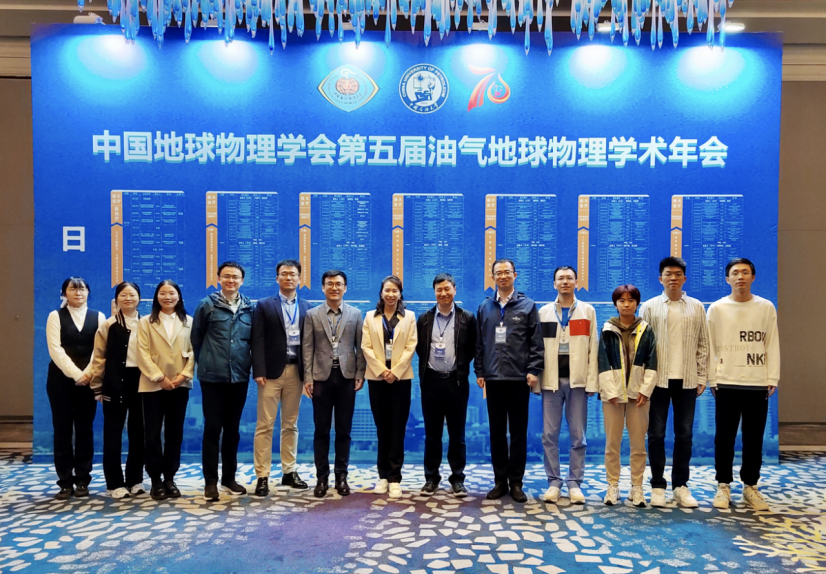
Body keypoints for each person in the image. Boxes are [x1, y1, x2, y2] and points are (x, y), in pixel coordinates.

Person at [707, 258, 780, 512]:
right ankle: (723, 484)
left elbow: (771, 342)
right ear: (727, 278)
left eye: (745, 272)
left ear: (753, 277)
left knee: (754, 438)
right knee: (724, 438)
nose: (740, 277)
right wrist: (712, 378)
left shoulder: (765, 307)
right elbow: (710, 346)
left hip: (757, 382)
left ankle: (751, 486)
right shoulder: (717, 308)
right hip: (726, 382)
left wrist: (772, 377)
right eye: (735, 273)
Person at [639, 256, 710, 508]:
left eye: (678, 274)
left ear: (684, 278)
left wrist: (702, 376)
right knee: (656, 434)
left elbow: (703, 344)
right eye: (668, 274)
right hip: (657, 380)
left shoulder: (697, 307)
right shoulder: (649, 307)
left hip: (687, 380)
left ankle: (680, 485)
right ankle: (657, 485)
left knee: (685, 434)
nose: (673, 278)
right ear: (660, 278)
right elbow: (642, 346)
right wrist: (643, 381)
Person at [475, 259, 544, 503]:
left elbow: (536, 342)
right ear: (492, 277)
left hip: (519, 378)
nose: (503, 276)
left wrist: (533, 369)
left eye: (507, 272)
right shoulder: (485, 307)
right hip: (493, 378)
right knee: (496, 433)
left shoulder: (528, 305)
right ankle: (499, 482)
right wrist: (479, 371)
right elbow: (479, 343)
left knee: (517, 433)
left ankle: (516, 483)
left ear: (515, 275)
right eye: (498, 273)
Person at [191, 261, 255, 502]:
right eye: (226, 276)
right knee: (212, 429)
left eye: (235, 277)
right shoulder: (207, 305)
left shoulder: (249, 307)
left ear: (242, 280)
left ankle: (229, 478)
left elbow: (253, 342)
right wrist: (207, 363)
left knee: (232, 430)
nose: (231, 280)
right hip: (213, 378)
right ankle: (210, 482)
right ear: (218, 278)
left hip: (239, 377)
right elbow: (196, 339)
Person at [537, 266, 598, 505]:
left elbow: (593, 349)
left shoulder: (587, 311)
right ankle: (554, 482)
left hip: (577, 382)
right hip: (551, 382)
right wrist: (537, 380)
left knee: (578, 435)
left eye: (569, 278)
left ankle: (574, 483)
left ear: (576, 282)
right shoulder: (543, 312)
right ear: (554, 283)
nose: (565, 282)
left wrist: (592, 381)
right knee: (549, 434)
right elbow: (537, 349)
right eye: (560, 278)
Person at [302, 270, 366, 498]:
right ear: (323, 287)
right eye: (330, 284)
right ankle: (322, 478)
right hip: (321, 377)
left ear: (345, 288)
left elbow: (360, 346)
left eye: (338, 284)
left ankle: (341, 476)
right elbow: (307, 347)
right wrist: (307, 377)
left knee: (343, 430)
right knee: (321, 430)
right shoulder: (312, 314)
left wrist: (360, 373)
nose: (334, 288)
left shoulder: (355, 314)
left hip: (346, 377)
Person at [251, 259, 312, 496]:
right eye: (284, 274)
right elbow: (257, 339)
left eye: (293, 274)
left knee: (290, 425)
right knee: (265, 425)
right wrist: (259, 370)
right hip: (270, 374)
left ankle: (289, 471)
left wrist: (308, 375)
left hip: (296, 372)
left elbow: (309, 344)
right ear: (277, 278)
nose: (288, 277)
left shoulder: (307, 307)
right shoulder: (264, 305)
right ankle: (262, 476)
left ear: (299, 279)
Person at [415, 273, 478, 499]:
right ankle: (431, 478)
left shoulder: (467, 318)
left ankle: (457, 479)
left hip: (456, 381)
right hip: (431, 382)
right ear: (434, 292)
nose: (443, 293)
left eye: (447, 289)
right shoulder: (424, 318)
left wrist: (459, 367)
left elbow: (473, 348)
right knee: (432, 434)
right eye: (439, 289)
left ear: (454, 290)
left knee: (457, 435)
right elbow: (420, 348)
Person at [46, 276, 106, 500]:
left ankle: (82, 479)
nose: (78, 293)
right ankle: (64, 482)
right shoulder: (55, 316)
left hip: (89, 380)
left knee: (84, 430)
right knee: (62, 430)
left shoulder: (98, 317)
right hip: (60, 381)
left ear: (88, 292)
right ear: (65, 293)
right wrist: (76, 374)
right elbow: (55, 349)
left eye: (82, 289)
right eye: (73, 289)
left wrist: (87, 374)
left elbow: (100, 349)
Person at [598, 284, 657, 507]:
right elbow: (601, 362)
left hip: (638, 396)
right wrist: (610, 391)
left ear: (637, 304)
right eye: (621, 300)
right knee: (612, 444)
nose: (626, 304)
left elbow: (652, 362)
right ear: (615, 304)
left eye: (631, 300)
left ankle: (637, 487)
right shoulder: (606, 330)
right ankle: (612, 485)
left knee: (638, 445)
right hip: (612, 396)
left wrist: (645, 390)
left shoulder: (646, 329)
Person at [137, 280, 195, 501]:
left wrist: (182, 376)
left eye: (172, 293)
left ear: (179, 296)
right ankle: (155, 480)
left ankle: (170, 478)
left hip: (180, 384)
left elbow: (194, 352)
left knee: (174, 433)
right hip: (152, 385)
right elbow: (142, 353)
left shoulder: (189, 321)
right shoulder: (145, 322)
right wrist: (159, 378)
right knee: (152, 434)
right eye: (163, 293)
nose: (167, 297)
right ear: (156, 297)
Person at [362, 275, 417, 499]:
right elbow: (366, 347)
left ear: (400, 294)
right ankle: (383, 476)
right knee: (382, 428)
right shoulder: (370, 317)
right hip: (377, 379)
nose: (391, 294)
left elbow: (411, 346)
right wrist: (382, 371)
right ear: (381, 293)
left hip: (401, 379)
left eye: (395, 291)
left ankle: (395, 478)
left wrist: (395, 371)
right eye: (387, 290)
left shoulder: (409, 317)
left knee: (397, 428)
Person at [89, 281, 145, 499]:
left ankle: (135, 480)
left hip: (142, 383)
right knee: (112, 435)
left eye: (132, 295)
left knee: (138, 434)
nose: (128, 298)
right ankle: (114, 484)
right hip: (114, 382)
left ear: (139, 298)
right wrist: (97, 386)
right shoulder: (108, 325)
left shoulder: (148, 323)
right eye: (123, 295)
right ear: (116, 299)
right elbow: (99, 357)